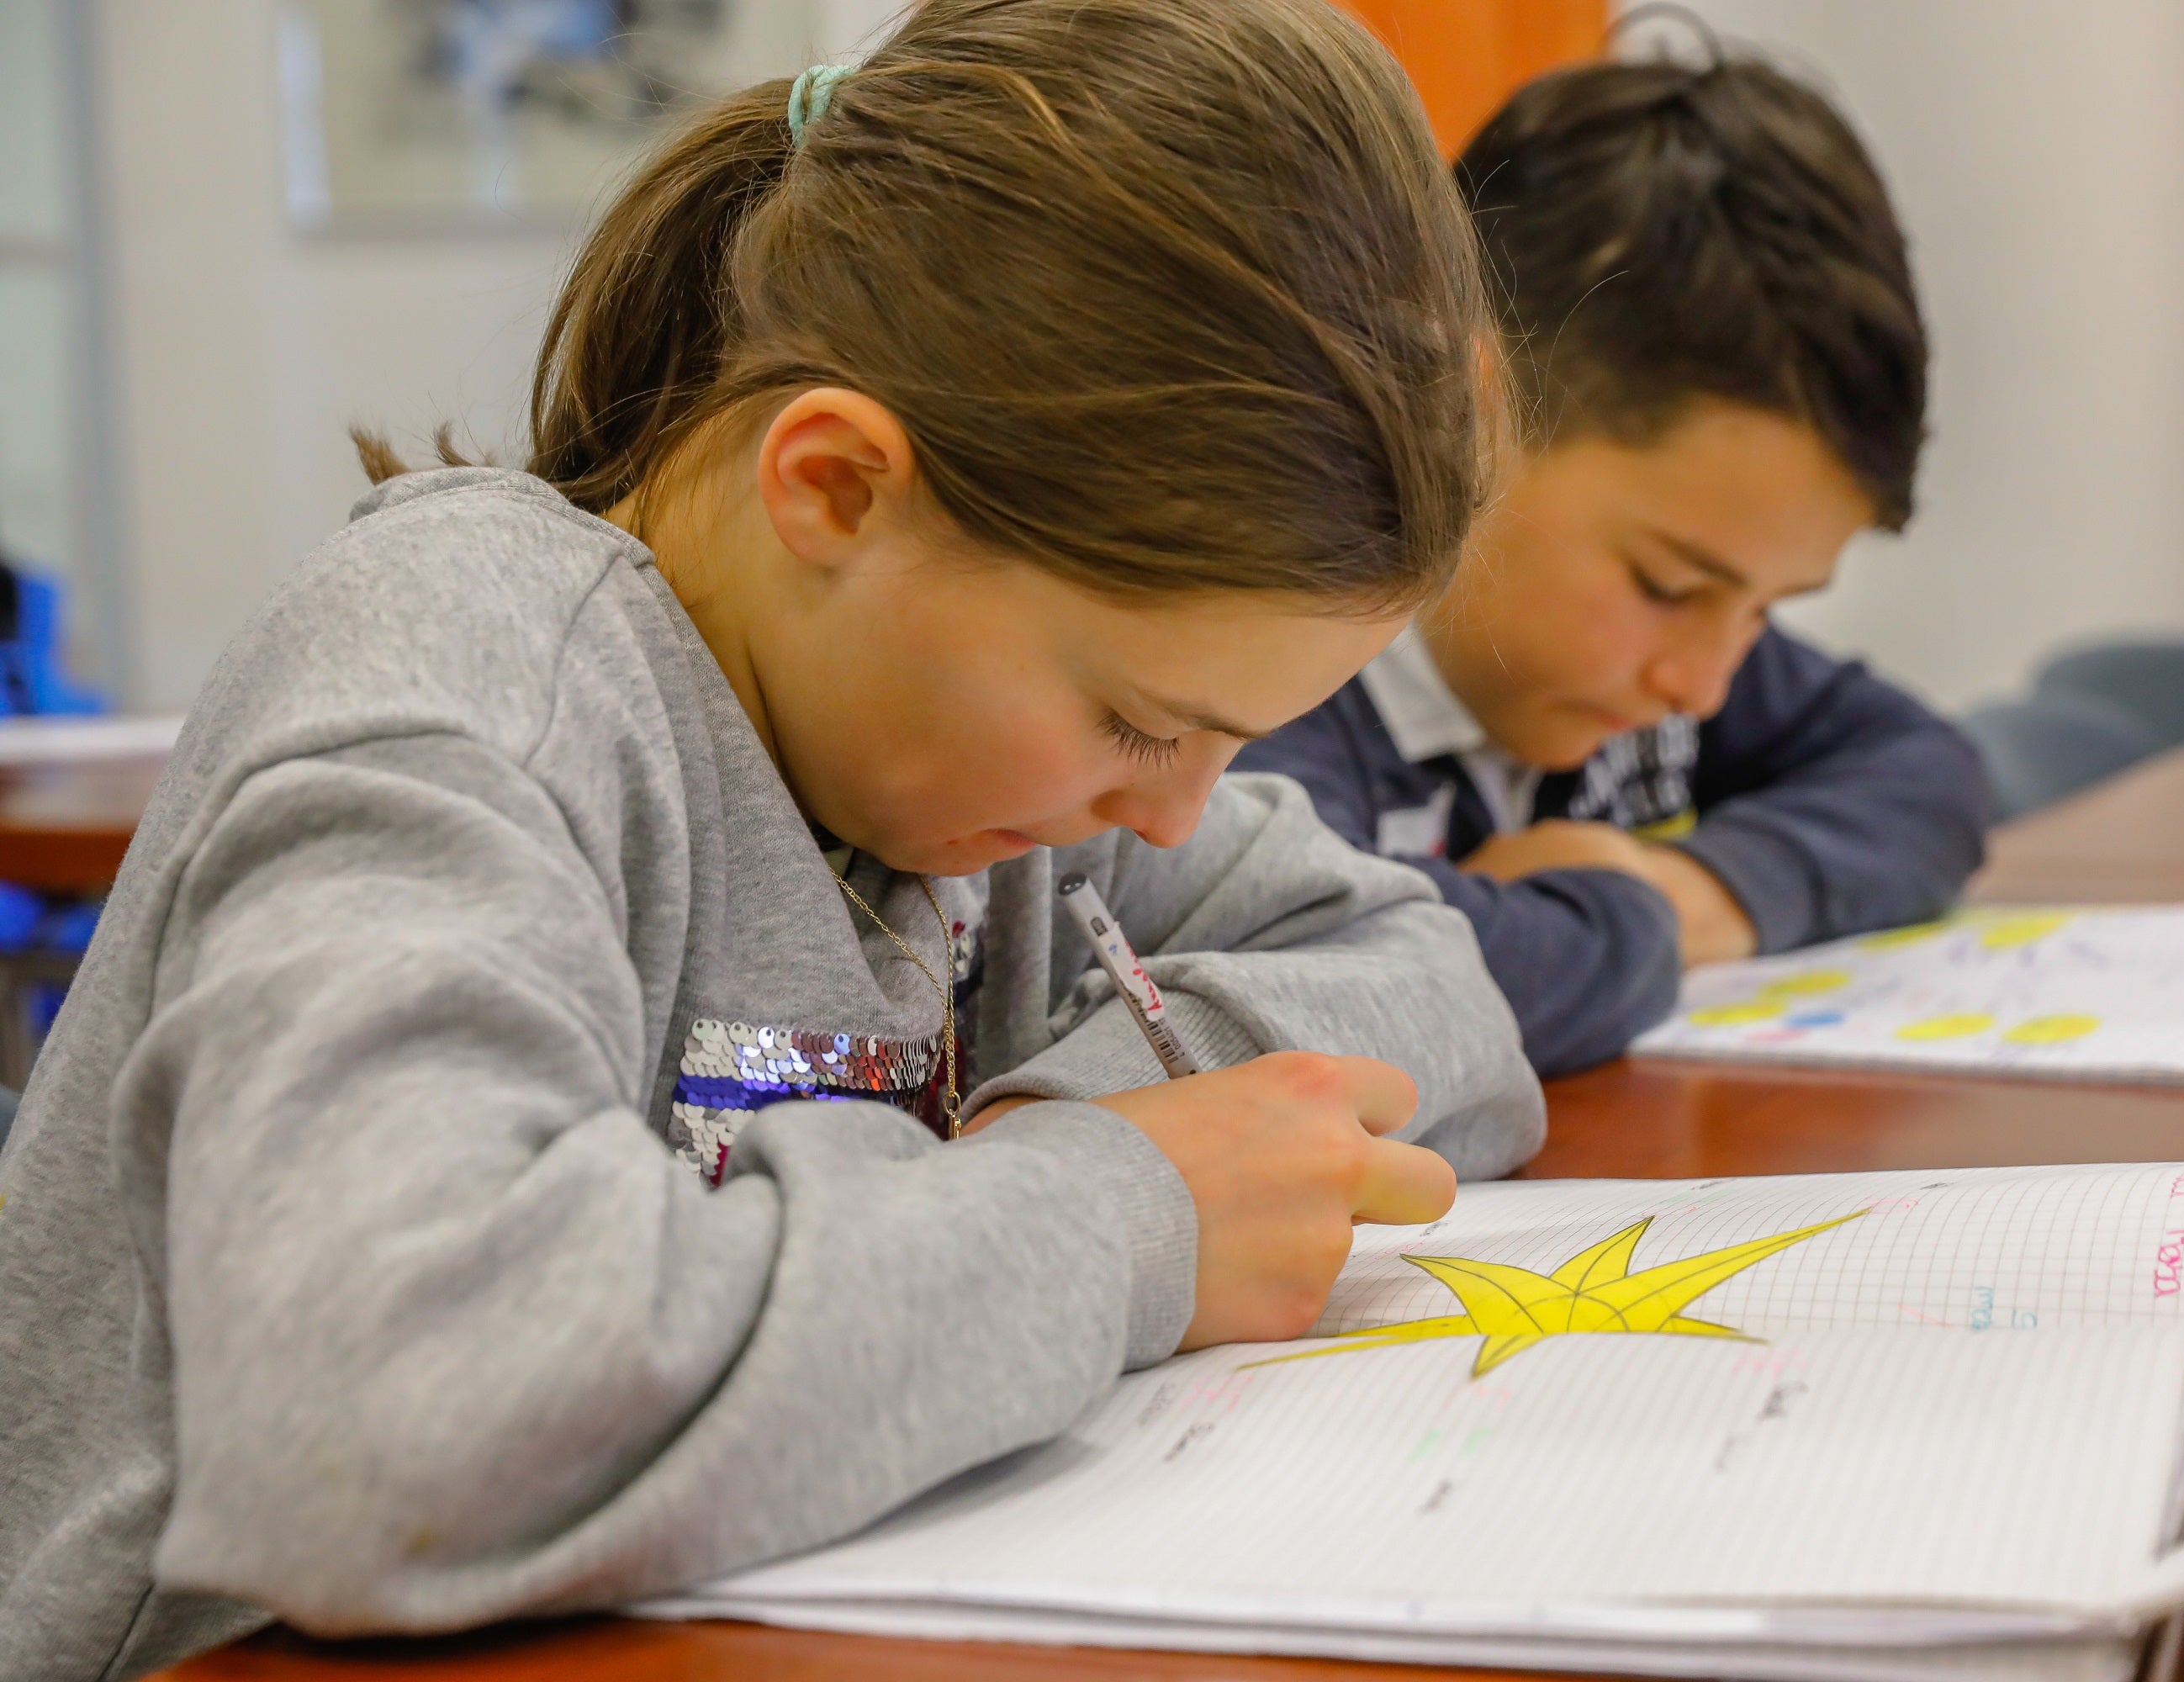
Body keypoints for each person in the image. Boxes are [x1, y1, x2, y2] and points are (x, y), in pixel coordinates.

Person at [0, 5, 1544, 1675]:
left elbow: (1429, 976)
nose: (1173, 810)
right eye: (1142, 720)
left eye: (1229, 741)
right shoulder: (476, 690)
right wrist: (1126, 1209)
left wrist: (1066, 1118)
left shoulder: (966, 757)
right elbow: (381, 1423)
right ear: (835, 488)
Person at [1237, 52, 1992, 1078]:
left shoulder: (1642, 668)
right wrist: (1629, 918)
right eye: (1669, 586)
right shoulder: (1261, 676)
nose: (1704, 682)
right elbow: (1333, 975)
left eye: (1763, 610)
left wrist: (1697, 888)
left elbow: (1926, 772)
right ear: (1466, 412)